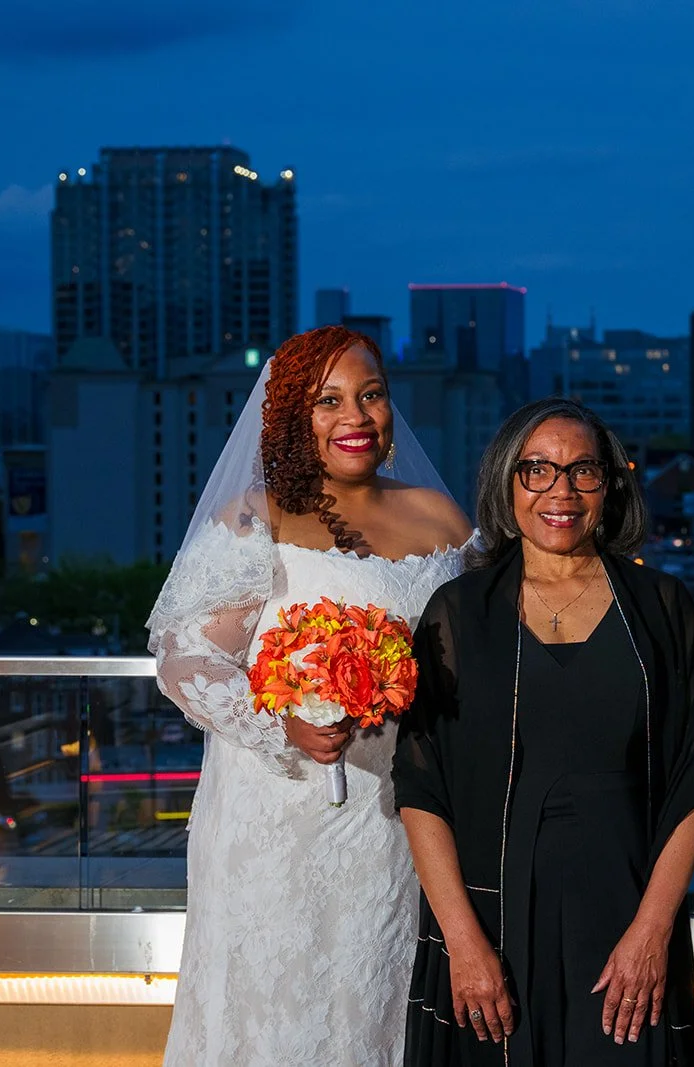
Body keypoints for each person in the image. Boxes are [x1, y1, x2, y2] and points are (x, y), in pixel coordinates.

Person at [147, 326, 473, 1066]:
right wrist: (280, 725)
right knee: (273, 1010)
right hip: (274, 816)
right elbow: (183, 657)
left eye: (370, 395)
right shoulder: (254, 517)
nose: (355, 416)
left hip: (395, 818)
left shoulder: (444, 520)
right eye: (328, 401)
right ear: (295, 418)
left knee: (375, 1003)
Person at [392, 399, 694, 1067]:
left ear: (611, 485)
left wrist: (653, 931)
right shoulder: (458, 612)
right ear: (506, 482)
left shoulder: (663, 607)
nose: (560, 492)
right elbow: (421, 788)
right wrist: (463, 942)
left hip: (628, 916)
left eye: (582, 471)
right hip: (492, 925)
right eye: (536, 469)